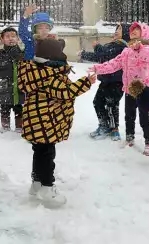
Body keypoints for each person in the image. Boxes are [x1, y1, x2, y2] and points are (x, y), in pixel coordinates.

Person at [19, 37, 94, 208]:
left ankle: (36, 183)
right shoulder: (49, 76)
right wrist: (85, 82)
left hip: (35, 120)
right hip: (46, 121)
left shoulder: (35, 71)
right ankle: (47, 186)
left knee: (39, 152)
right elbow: (66, 92)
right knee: (47, 155)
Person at [91, 22, 149, 155]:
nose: (133, 31)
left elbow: (144, 58)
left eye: (137, 30)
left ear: (144, 34)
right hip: (128, 89)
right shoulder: (126, 51)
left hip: (143, 90)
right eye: (132, 30)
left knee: (144, 118)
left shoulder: (148, 50)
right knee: (129, 116)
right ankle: (129, 137)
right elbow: (114, 64)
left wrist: (139, 47)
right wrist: (98, 68)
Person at [80, 24, 129, 141]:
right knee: (97, 102)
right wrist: (84, 54)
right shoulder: (111, 45)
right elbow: (100, 58)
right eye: (116, 29)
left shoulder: (123, 47)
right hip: (106, 81)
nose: (116, 31)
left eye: (120, 30)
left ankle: (114, 129)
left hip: (116, 82)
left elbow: (105, 54)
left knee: (112, 105)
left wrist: (97, 47)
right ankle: (104, 125)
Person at [0, 26, 24, 133]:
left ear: (17, 39)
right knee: (4, 108)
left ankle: (19, 126)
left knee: (19, 107)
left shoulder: (22, 54)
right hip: (4, 86)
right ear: (2, 39)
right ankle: (5, 126)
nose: (11, 38)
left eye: (13, 36)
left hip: (19, 86)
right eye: (7, 36)